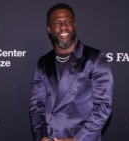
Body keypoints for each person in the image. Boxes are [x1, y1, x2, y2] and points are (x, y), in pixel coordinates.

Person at [29, 3, 114, 141]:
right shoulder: (43, 63)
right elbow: (36, 106)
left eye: (68, 22)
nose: (63, 27)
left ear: (74, 25)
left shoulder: (95, 58)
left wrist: (78, 139)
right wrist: (41, 136)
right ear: (49, 29)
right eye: (57, 23)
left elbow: (103, 106)